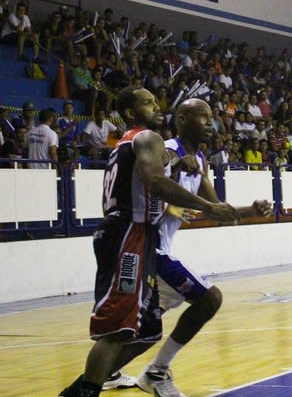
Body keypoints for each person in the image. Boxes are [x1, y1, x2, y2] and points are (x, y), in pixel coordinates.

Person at [58, 87, 239, 397]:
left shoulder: (142, 144)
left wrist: (181, 167)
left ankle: (81, 390)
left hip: (140, 237)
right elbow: (155, 180)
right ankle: (86, 392)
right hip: (128, 233)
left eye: (157, 101)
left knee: (147, 332)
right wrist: (206, 205)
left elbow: (160, 169)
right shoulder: (147, 138)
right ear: (130, 113)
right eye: (147, 102)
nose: (157, 106)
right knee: (117, 331)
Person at [129, 98, 272, 396]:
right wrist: (178, 164)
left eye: (211, 119)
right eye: (203, 118)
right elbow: (154, 181)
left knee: (142, 324)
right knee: (209, 299)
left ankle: (113, 372)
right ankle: (155, 371)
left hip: (162, 249)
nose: (210, 124)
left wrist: (250, 211)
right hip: (149, 247)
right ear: (182, 119)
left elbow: (216, 208)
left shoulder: (202, 161)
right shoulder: (165, 149)